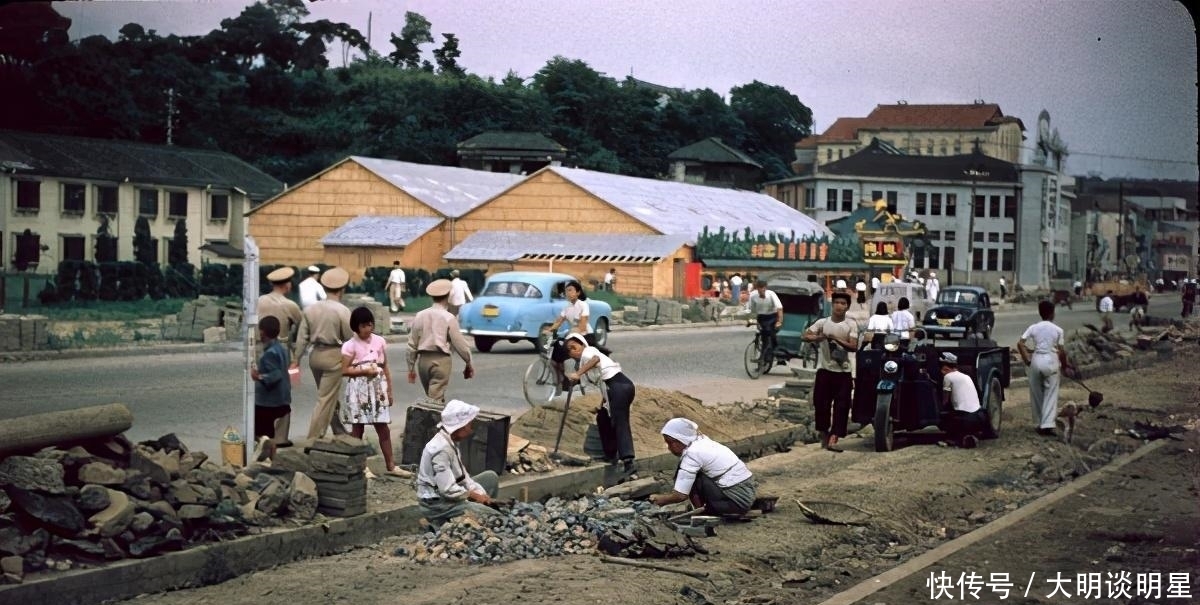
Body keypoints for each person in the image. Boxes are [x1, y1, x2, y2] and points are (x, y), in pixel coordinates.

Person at [340, 306, 408, 478]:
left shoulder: (378, 341)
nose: (368, 329)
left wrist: (389, 391)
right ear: (356, 327)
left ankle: (391, 465)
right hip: (358, 388)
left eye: (370, 325)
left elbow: (385, 366)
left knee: (383, 427)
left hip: (377, 387)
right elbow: (344, 370)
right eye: (363, 326)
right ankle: (362, 467)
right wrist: (364, 372)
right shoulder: (350, 346)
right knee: (358, 428)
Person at [563, 332, 637, 480]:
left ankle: (629, 463)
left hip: (619, 386)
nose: (572, 351)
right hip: (612, 390)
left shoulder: (588, 352)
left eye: (574, 347)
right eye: (569, 350)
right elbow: (599, 382)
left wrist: (577, 374)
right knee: (603, 418)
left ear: (582, 344)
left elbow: (595, 359)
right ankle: (610, 455)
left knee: (619, 421)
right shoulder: (583, 363)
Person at [291, 267, 353, 439]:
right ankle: (313, 439)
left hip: (315, 355)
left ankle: (338, 429)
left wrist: (296, 359)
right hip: (333, 355)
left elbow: (302, 337)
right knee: (325, 399)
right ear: (342, 289)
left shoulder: (311, 309)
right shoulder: (342, 311)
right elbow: (350, 338)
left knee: (328, 395)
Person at [416, 400, 500, 526]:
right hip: (438, 504)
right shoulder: (441, 450)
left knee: (491, 477)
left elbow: (463, 478)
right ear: (460, 426)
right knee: (494, 517)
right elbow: (448, 490)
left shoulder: (450, 442)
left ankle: (465, 515)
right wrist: (475, 496)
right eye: (469, 426)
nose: (471, 430)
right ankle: (441, 520)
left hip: (450, 495)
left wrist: (482, 495)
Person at [648, 418, 756, 515]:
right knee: (694, 475)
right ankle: (701, 508)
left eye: (669, 443)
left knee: (694, 477)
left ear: (678, 441)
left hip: (737, 503)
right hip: (747, 492)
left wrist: (661, 499)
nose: (669, 448)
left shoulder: (692, 454)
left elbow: (680, 496)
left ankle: (703, 510)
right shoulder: (702, 441)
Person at [802, 292, 858, 452]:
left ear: (847, 306)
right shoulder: (822, 323)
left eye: (843, 303)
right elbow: (805, 335)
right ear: (832, 305)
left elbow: (854, 346)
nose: (839, 306)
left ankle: (834, 437)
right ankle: (824, 437)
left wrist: (836, 339)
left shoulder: (850, 325)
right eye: (837, 302)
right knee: (821, 405)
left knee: (842, 407)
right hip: (825, 372)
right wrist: (819, 338)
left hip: (844, 373)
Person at [407, 279, 474, 402]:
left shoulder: (420, 315)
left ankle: (438, 418)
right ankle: (431, 421)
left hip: (423, 362)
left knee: (432, 394)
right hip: (441, 361)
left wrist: (411, 367)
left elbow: (412, 345)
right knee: (435, 399)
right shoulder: (449, 317)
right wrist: (468, 362)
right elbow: (460, 344)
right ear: (449, 295)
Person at [1017, 300, 1071, 436]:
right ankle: (1047, 425)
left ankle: (1038, 423)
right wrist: (1065, 366)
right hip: (1051, 360)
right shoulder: (1058, 330)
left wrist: (1027, 359)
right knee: (1050, 393)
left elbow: (1020, 344)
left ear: (1040, 313)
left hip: (1036, 360)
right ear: (1052, 313)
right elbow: (1062, 351)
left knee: (1036, 393)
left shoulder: (1033, 327)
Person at [542, 280, 610, 388]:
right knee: (556, 351)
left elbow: (583, 326)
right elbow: (559, 321)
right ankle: (562, 379)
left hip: (586, 336)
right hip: (573, 336)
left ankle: (578, 376)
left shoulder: (583, 305)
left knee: (570, 349)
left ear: (578, 292)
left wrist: (572, 332)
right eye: (566, 291)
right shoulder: (567, 308)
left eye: (570, 290)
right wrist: (550, 329)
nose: (568, 293)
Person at [251, 315, 291, 449]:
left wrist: (259, 377)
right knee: (272, 435)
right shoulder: (282, 349)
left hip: (268, 402)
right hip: (282, 397)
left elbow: (275, 375)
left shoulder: (269, 354)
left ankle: (265, 457)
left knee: (263, 435)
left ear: (262, 332)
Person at [937, 352, 986, 448]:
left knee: (945, 416)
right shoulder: (966, 376)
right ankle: (970, 435)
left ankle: (954, 440)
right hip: (980, 416)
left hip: (965, 419)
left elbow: (945, 400)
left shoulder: (947, 377)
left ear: (945, 368)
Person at [257, 266, 302, 362]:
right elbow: (301, 325)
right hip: (281, 348)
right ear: (287, 285)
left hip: (260, 347)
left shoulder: (260, 300)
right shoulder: (290, 305)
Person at [745, 279, 783, 359]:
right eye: (759, 288)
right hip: (761, 317)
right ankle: (763, 357)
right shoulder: (753, 295)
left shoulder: (771, 294)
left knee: (770, 333)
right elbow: (752, 310)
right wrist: (750, 320)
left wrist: (779, 321)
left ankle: (775, 348)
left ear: (765, 288)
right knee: (762, 335)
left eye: (762, 288)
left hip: (772, 316)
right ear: (757, 288)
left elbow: (779, 308)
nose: (761, 290)